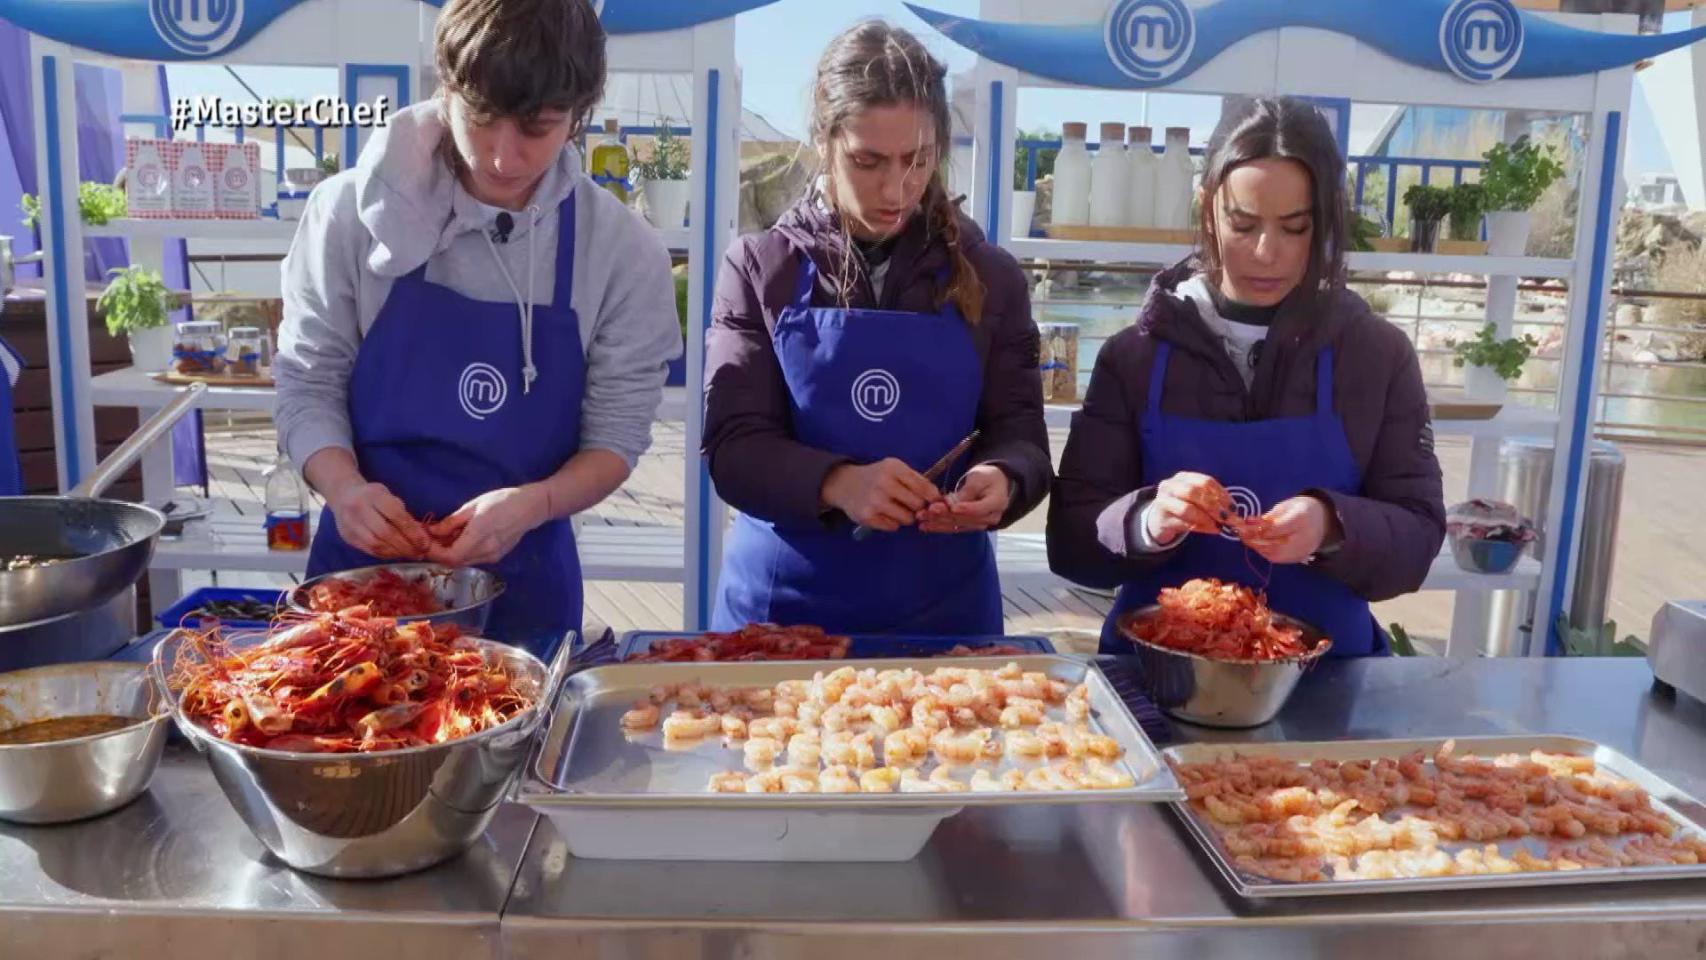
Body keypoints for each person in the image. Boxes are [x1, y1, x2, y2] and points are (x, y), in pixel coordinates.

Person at [275, 0, 681, 660]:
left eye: (537, 129)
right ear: (446, 87)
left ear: (578, 113)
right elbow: (307, 383)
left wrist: (536, 502)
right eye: (481, 119)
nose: (502, 156)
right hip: (360, 585)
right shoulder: (346, 215)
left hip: (525, 593)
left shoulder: (623, 251)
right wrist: (344, 489)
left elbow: (615, 437)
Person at [1047, 96, 1446, 657]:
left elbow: (1419, 536)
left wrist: (1332, 525)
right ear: (1208, 207)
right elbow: (1071, 544)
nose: (1266, 252)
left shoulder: (1376, 357)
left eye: (1294, 227)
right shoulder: (1133, 357)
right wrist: (1147, 519)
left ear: (1324, 221)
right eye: (1243, 223)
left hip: (1328, 686)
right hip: (1156, 679)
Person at [702, 21, 1051, 636]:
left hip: (945, 615)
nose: (896, 189)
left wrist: (1005, 478)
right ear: (824, 139)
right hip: (782, 615)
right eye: (867, 162)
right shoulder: (760, 267)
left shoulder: (992, 277)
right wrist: (838, 482)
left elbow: (1020, 433)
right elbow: (733, 448)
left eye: (918, 161)